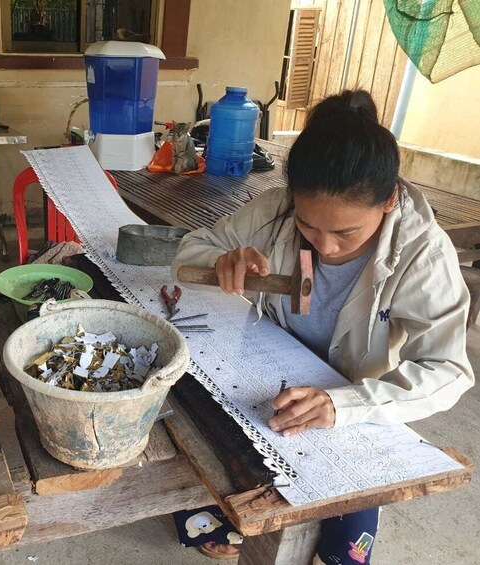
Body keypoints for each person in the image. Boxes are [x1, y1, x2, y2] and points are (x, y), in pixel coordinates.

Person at [171, 90, 474, 562]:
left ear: (390, 199)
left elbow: (447, 370)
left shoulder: (422, 253)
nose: (327, 247)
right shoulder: (275, 211)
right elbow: (190, 250)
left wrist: (343, 403)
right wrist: (222, 261)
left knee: (345, 543)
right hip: (265, 365)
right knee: (215, 467)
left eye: (348, 232)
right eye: (310, 226)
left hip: (355, 392)